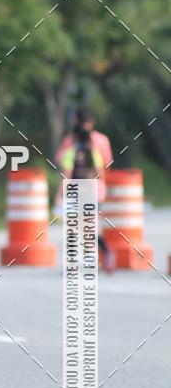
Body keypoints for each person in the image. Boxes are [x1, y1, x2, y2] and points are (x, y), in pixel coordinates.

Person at [55, 108, 115, 273]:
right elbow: (103, 170)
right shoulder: (100, 142)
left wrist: (59, 197)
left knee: (75, 228)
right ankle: (103, 255)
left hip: (76, 193)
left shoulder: (69, 146)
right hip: (95, 192)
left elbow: (65, 175)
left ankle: (75, 263)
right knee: (91, 227)